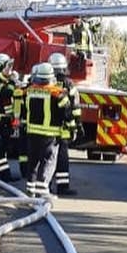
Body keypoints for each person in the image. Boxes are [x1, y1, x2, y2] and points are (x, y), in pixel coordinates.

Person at [23, 60, 72, 198]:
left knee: (33, 161)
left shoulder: (28, 91)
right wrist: (71, 126)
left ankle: (30, 189)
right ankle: (43, 191)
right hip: (50, 134)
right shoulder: (58, 93)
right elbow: (67, 113)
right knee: (48, 161)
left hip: (32, 133)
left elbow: (23, 109)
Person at [49, 52, 83, 195]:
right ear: (64, 67)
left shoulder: (46, 83)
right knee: (62, 157)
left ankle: (46, 186)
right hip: (63, 128)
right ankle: (62, 187)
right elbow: (75, 107)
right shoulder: (68, 84)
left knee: (48, 159)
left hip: (48, 127)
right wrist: (77, 125)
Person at [0, 53, 21, 176]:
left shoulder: (5, 80)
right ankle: (3, 174)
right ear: (0, 66)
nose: (10, 69)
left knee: (2, 146)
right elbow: (6, 92)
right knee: (0, 147)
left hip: (6, 120)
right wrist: (13, 82)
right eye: (8, 66)